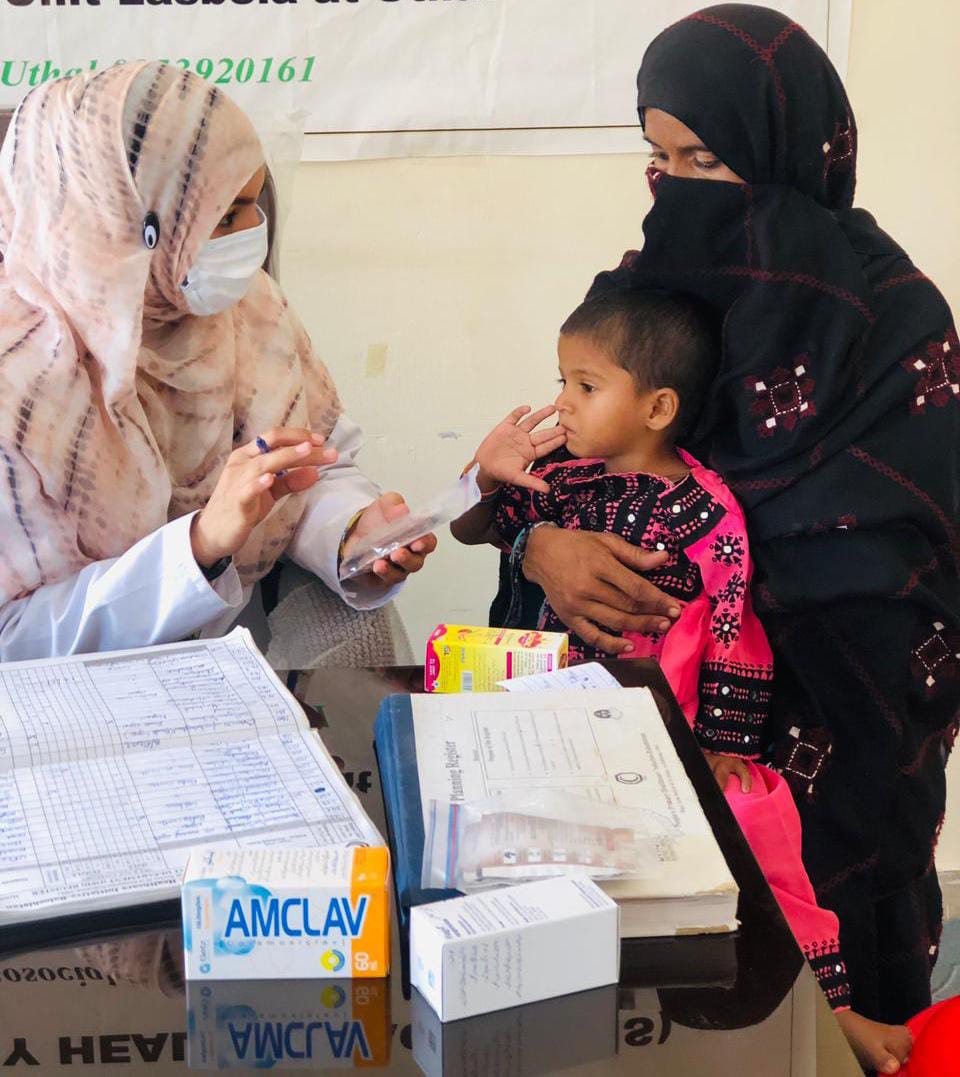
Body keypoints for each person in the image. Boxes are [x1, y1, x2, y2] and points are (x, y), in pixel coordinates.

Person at [508, 4, 957, 1069]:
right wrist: (541, 551)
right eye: (657, 157)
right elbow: (573, 460)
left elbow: (912, 561)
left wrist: (745, 610)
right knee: (651, 1029)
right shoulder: (649, 287)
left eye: (704, 157)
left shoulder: (895, 321)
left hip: (832, 747)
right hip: (628, 745)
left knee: (830, 1030)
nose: (677, 188)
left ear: (783, 145)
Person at [452, 285, 908, 1068]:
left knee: (759, 829)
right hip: (540, 726)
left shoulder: (705, 510)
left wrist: (720, 745)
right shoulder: (555, 476)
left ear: (658, 407)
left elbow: (735, 630)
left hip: (658, 742)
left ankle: (831, 1011)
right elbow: (477, 529)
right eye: (561, 379)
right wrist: (489, 478)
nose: (561, 404)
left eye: (586, 386)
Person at [0, 61, 435, 661]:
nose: (248, 237)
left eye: (253, 207)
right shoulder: (15, 380)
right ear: (122, 224)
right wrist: (199, 547)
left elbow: (312, 465)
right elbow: (13, 637)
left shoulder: (250, 309)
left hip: (232, 684)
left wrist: (353, 533)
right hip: (66, 720)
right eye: (223, 218)